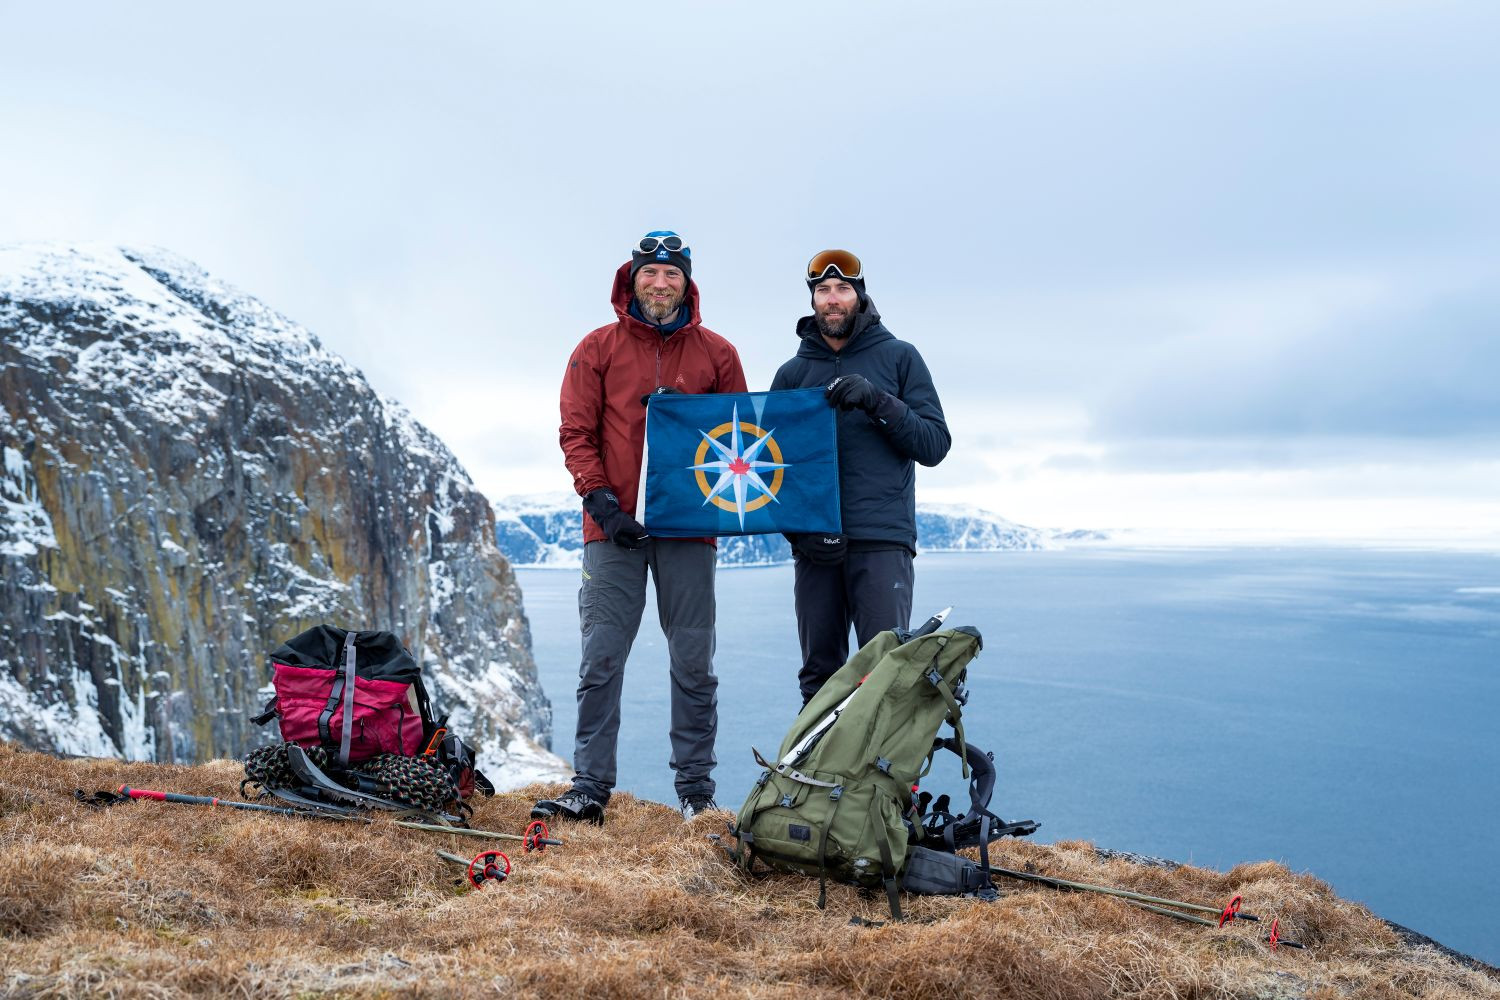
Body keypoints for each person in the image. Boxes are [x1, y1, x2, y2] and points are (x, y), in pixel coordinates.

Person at [535, 231, 748, 825]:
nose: (660, 283)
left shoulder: (718, 354)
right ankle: (590, 785)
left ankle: (696, 793)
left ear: (687, 282)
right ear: (631, 280)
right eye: (649, 273)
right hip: (613, 529)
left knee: (693, 661)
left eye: (671, 274)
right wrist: (603, 504)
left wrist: (728, 511)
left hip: (689, 530)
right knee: (601, 657)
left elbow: (738, 440)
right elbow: (575, 432)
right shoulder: (595, 348)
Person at [770, 249, 951, 704]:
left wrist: (878, 401)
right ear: (812, 301)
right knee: (819, 675)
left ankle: (884, 778)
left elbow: (934, 445)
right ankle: (816, 776)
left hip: (882, 542)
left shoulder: (900, 358)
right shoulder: (792, 374)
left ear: (860, 295)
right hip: (816, 547)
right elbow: (771, 470)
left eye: (843, 289)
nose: (833, 299)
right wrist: (800, 535)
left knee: (886, 670)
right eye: (823, 291)